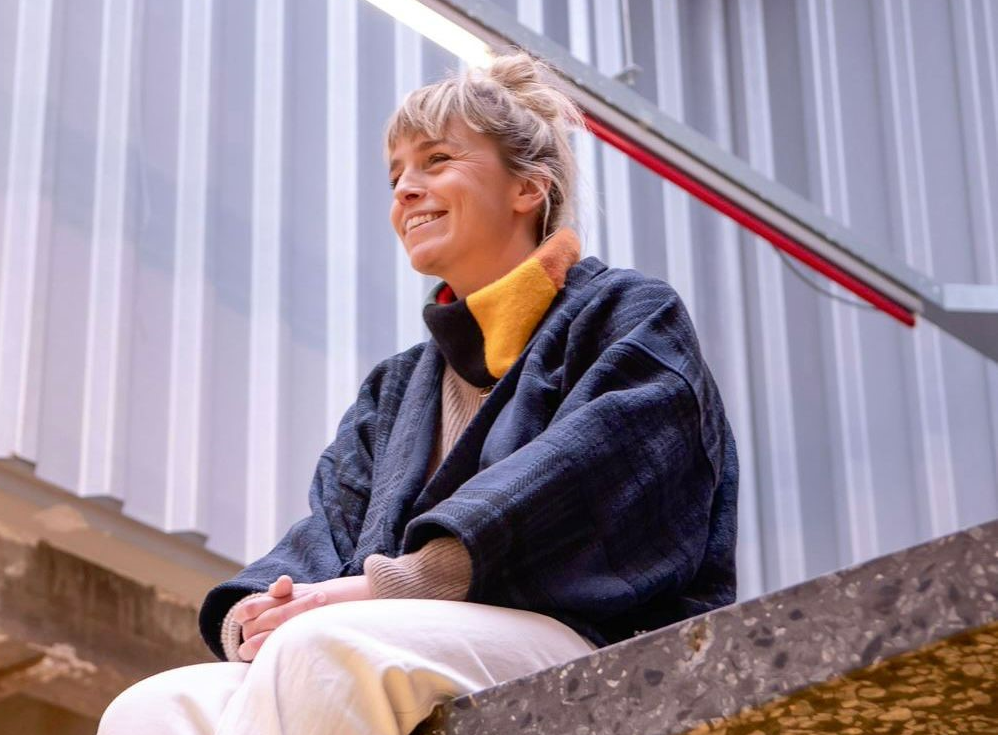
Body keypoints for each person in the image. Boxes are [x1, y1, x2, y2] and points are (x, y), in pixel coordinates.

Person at [97, 51, 737, 735]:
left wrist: (392, 584)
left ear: (529, 188)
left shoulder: (628, 315)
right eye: (396, 173)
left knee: (322, 649)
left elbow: (592, 477)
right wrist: (258, 612)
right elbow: (330, 531)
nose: (405, 189)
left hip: (603, 646)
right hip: (410, 638)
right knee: (152, 707)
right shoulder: (397, 388)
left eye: (436, 160)